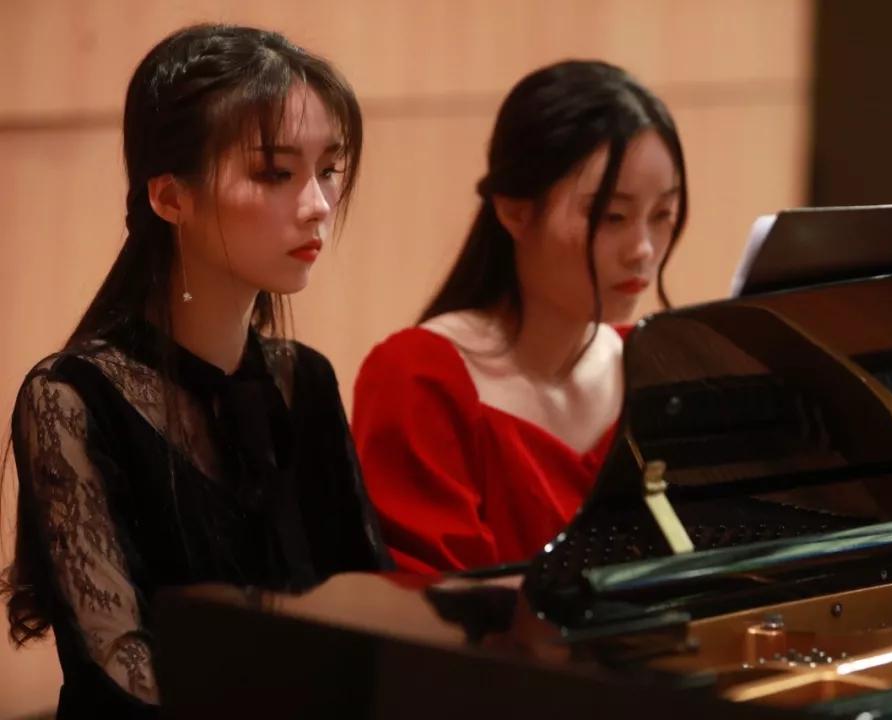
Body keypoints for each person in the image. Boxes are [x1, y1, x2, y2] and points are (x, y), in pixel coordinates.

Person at [2, 24, 389, 717]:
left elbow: (366, 609)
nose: (318, 205)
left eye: (329, 169)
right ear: (170, 198)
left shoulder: (305, 380)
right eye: (275, 173)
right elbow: (118, 669)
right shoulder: (71, 397)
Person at [351, 60, 688, 574]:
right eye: (613, 216)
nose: (643, 249)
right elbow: (432, 601)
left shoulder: (655, 370)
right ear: (514, 211)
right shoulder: (420, 377)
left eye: (662, 215)